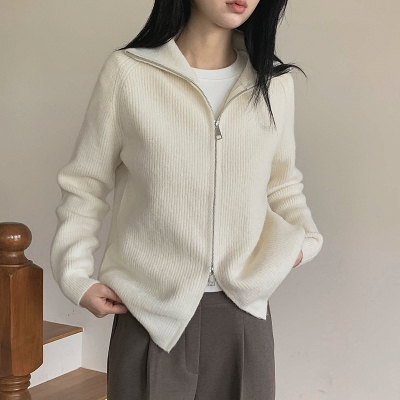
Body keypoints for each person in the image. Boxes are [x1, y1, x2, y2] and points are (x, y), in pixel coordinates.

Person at [50, 0, 323, 398]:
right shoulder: (129, 73)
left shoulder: (273, 84)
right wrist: (74, 275)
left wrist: (306, 241)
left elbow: (282, 185)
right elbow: (85, 183)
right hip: (148, 315)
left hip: (243, 316)